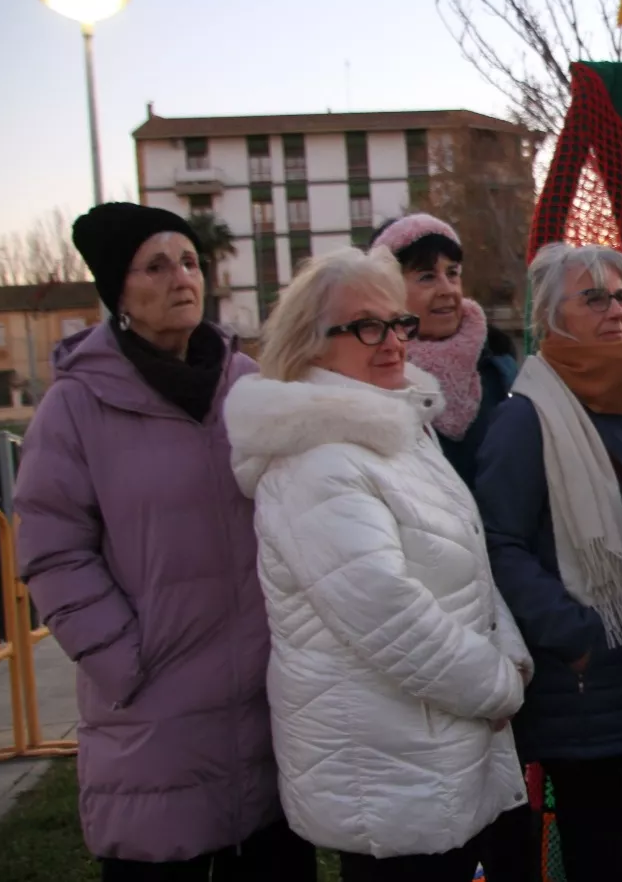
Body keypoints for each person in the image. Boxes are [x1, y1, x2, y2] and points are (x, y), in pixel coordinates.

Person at [14, 202, 315, 880]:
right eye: (155, 266)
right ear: (117, 293)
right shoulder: (75, 406)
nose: (182, 278)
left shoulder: (247, 385)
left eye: (189, 262)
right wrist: (124, 659)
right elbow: (53, 550)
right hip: (154, 708)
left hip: (265, 700)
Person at [224, 248, 531, 882]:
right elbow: (388, 613)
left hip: (438, 748)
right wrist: (497, 685)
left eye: (397, 322)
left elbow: (465, 558)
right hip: (390, 773)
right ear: (312, 342)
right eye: (366, 326)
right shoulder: (317, 460)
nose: (392, 341)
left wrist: (510, 652)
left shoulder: (395, 428)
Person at [476, 242, 622, 882]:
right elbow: (497, 543)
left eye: (621, 296)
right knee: (606, 857)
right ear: (550, 317)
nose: (615, 310)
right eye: (594, 298)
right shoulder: (525, 419)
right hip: (587, 694)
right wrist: (574, 633)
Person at [369, 213, 519, 487]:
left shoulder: (498, 366)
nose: (447, 290)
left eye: (452, 273)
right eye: (427, 277)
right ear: (388, 289)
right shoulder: (371, 377)